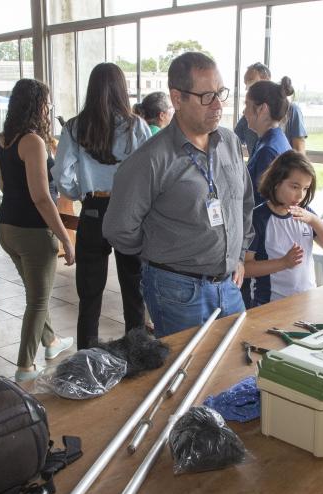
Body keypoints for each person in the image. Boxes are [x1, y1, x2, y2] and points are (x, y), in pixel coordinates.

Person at [104, 52, 254, 338]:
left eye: (221, 93)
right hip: (178, 290)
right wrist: (161, 249)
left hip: (229, 285)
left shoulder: (230, 143)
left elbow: (244, 202)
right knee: (186, 373)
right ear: (177, 99)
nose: (218, 104)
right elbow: (119, 228)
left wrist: (239, 254)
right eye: (207, 96)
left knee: (234, 369)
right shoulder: (151, 159)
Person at [53, 62, 152, 349]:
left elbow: (61, 175)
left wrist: (80, 191)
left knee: (89, 294)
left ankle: (88, 357)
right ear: (122, 89)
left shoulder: (74, 126)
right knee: (134, 291)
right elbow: (149, 173)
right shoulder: (137, 126)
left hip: (93, 210)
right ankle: (137, 353)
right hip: (128, 213)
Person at [0, 78, 75, 383]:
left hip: (6, 226)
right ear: (37, 105)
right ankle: (25, 367)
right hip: (32, 230)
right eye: (47, 102)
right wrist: (65, 238)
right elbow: (41, 197)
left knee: (34, 291)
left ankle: (51, 342)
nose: (50, 107)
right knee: (38, 301)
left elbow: (3, 186)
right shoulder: (33, 141)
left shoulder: (6, 139)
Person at [246, 151, 323, 306]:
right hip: (269, 306)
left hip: (306, 301)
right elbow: (245, 268)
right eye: (295, 187)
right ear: (276, 182)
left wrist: (313, 220)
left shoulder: (306, 214)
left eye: (305, 188)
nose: (300, 195)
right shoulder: (258, 218)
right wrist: (283, 263)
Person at [235, 63, 307, 154]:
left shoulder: (292, 110)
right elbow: (232, 140)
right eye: (246, 84)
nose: (247, 87)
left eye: (250, 81)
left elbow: (299, 150)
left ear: (266, 79)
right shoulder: (248, 115)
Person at [243, 77, 295, 205]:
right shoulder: (272, 140)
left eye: (247, 105)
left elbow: (263, 203)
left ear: (262, 109)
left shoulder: (268, 150)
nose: (243, 112)